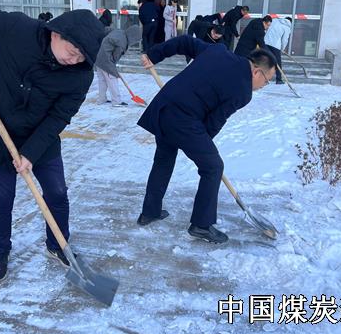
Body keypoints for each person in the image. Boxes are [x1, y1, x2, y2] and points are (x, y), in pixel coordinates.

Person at [0, 3, 106, 282]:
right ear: (56, 33)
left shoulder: (81, 75)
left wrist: (31, 153)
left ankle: (58, 244)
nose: (75, 60)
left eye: (82, 56)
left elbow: (59, 117)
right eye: (73, 51)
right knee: (0, 199)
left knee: (57, 192)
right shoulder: (19, 30)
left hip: (41, 138)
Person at [136, 35, 276, 244]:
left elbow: (185, 42)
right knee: (213, 167)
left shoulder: (217, 51)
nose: (265, 85)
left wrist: (154, 54)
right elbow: (215, 120)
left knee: (163, 160)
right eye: (266, 80)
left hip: (163, 108)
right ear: (256, 71)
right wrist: (203, 142)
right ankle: (201, 225)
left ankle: (150, 212)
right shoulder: (243, 91)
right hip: (184, 119)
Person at [95, 25, 142, 107]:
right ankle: (116, 101)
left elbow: (107, 31)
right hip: (106, 60)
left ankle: (101, 99)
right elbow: (115, 57)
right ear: (133, 37)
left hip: (98, 58)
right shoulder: (122, 43)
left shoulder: (119, 31)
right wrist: (113, 70)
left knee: (102, 80)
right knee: (112, 79)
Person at [264, 17, 292, 84]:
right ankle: (279, 79)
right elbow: (284, 40)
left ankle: (263, 79)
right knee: (278, 63)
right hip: (275, 46)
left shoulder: (275, 21)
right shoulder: (287, 27)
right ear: (290, 22)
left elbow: (266, 29)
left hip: (265, 42)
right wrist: (282, 49)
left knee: (266, 61)